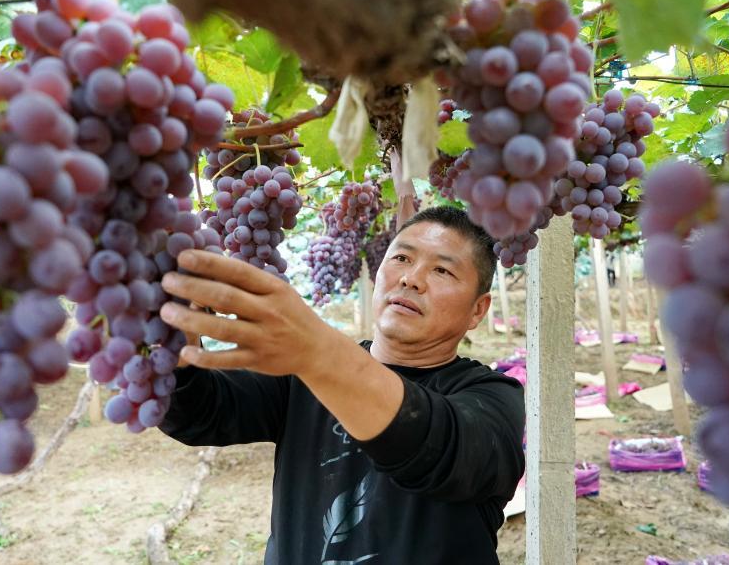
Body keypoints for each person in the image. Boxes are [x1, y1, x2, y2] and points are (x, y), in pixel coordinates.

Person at [157, 206, 526, 564]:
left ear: (478, 310)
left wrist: (317, 349)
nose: (411, 278)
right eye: (401, 259)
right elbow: (199, 413)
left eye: (443, 270)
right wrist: (176, 337)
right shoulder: (303, 376)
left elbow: (435, 445)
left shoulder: (494, 398)